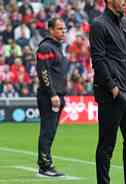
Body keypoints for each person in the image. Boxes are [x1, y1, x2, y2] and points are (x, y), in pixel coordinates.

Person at [89, 0, 126, 183]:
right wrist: (113, 88)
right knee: (106, 146)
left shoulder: (125, 22)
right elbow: (98, 60)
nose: (125, 2)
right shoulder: (98, 25)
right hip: (112, 95)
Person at [35, 17, 67, 177]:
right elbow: (43, 72)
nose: (63, 31)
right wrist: (53, 94)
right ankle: (45, 166)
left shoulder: (56, 47)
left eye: (64, 29)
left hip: (57, 95)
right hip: (49, 96)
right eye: (60, 29)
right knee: (48, 131)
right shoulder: (46, 47)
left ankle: (44, 163)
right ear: (51, 30)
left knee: (51, 130)